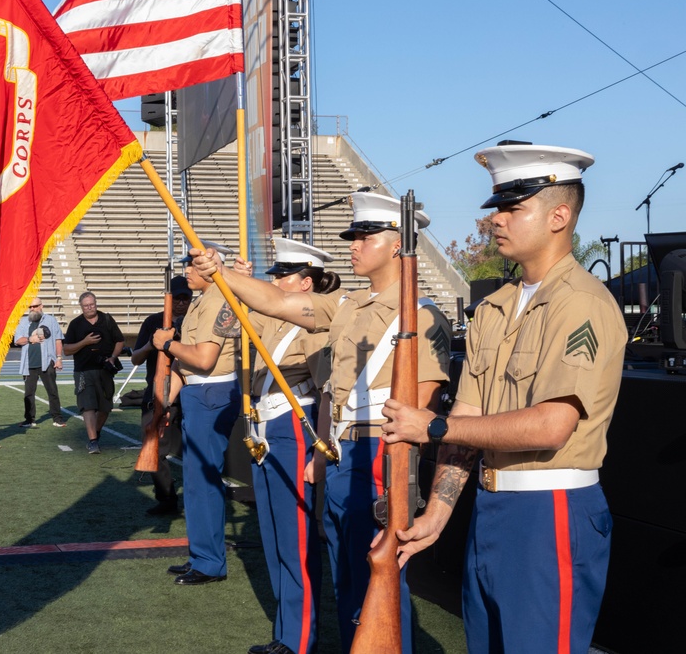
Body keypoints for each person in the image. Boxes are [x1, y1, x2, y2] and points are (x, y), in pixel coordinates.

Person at [380, 142, 626, 653]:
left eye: (515, 207)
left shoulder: (581, 303)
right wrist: (439, 514)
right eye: (498, 207)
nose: (498, 220)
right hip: (492, 506)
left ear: (560, 215)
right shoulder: (494, 306)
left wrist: (433, 426)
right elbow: (470, 411)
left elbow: (550, 426)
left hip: (551, 511)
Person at [191, 195, 451, 652]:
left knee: (378, 580)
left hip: (380, 453)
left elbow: (424, 402)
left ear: (397, 246)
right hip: (342, 450)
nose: (353, 245)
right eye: (353, 237)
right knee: (347, 576)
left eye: (364, 237)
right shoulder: (348, 305)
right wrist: (222, 274)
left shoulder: (422, 314)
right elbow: (278, 301)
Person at [242, 238, 341, 654]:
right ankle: (286, 631)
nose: (276, 281)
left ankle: (299, 640)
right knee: (274, 535)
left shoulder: (317, 322)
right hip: (265, 426)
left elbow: (325, 386)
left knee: (295, 537)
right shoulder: (276, 318)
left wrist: (319, 450)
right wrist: (239, 284)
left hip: (293, 421)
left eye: (283, 275)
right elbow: (233, 326)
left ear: (306, 282)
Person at [153, 242, 241, 586]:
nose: (187, 270)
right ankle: (201, 554)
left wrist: (167, 343)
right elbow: (184, 365)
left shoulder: (219, 299)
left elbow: (203, 359)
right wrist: (162, 406)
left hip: (211, 392)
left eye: (192, 265)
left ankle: (209, 562)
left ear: (210, 265)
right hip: (196, 391)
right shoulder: (201, 302)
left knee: (204, 484)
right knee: (194, 484)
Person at [130, 275, 192, 516]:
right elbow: (135, 357)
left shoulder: (194, 322)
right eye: (176, 298)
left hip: (189, 395)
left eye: (185, 298)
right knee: (153, 449)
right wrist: (153, 344)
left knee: (194, 452)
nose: (180, 303)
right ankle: (167, 498)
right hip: (156, 395)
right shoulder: (153, 321)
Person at [63, 292, 124, 454]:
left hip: (105, 369)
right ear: (81, 307)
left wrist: (112, 357)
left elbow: (119, 340)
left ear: (96, 303)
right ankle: (92, 441)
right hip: (84, 370)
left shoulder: (107, 320)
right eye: (86, 306)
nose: (90, 308)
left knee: (105, 407)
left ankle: (95, 434)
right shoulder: (76, 324)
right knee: (88, 406)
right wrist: (85, 342)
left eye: (92, 304)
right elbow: (67, 350)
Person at [14, 297, 65, 429]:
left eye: (35, 306)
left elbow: (58, 340)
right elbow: (17, 340)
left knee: (52, 391)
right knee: (29, 393)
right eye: (30, 307)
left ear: (41, 306)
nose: (32, 309)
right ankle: (29, 419)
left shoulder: (51, 320)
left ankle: (57, 418)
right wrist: (31, 339)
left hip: (47, 361)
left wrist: (59, 358)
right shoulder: (24, 322)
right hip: (29, 363)